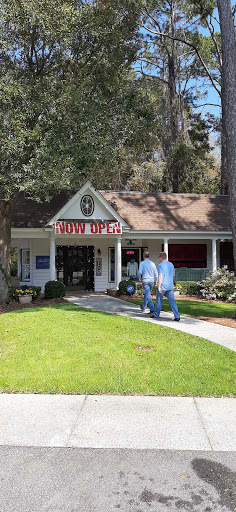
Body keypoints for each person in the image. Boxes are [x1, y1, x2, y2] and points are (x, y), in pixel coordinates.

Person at [150, 251, 180, 321]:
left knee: (159, 301)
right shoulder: (171, 264)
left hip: (163, 286)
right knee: (172, 301)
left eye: (159, 257)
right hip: (170, 286)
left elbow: (160, 276)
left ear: (161, 257)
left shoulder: (160, 265)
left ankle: (156, 314)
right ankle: (177, 316)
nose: (158, 259)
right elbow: (173, 274)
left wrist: (159, 286)